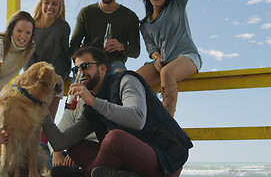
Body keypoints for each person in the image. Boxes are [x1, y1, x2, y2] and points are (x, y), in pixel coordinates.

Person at [42, 47, 193, 177]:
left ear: (102, 69)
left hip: (165, 159)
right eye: (76, 69)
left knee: (115, 138)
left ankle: (87, 174)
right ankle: (122, 174)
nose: (79, 73)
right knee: (75, 147)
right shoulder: (92, 105)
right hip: (131, 161)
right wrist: (41, 108)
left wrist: (94, 102)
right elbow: (60, 142)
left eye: (85, 66)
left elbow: (137, 119)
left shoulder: (126, 80)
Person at [136, 0, 206, 117]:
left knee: (167, 73)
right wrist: (157, 58)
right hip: (164, 61)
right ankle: (143, 118)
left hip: (187, 57)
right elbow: (152, 47)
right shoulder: (144, 24)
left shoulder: (177, 5)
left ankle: (168, 124)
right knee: (133, 80)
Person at [25, 0, 71, 169]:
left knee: (48, 121)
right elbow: (29, 58)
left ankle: (45, 161)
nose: (50, 7)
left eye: (54, 4)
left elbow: (65, 54)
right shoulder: (31, 26)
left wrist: (61, 76)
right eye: (47, 3)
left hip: (57, 76)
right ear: (41, 4)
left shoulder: (62, 27)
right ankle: (31, 158)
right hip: (35, 76)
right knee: (34, 119)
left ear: (60, 7)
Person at [69, 0, 140, 74]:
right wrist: (79, 62)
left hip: (115, 62)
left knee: (121, 79)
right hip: (88, 61)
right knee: (77, 88)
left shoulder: (130, 16)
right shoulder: (86, 12)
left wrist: (121, 47)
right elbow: (74, 43)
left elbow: (136, 51)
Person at [49, 96, 98, 168]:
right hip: (71, 153)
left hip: (94, 152)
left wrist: (78, 153)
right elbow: (59, 131)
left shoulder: (105, 99)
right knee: (38, 150)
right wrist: (56, 153)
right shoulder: (76, 100)